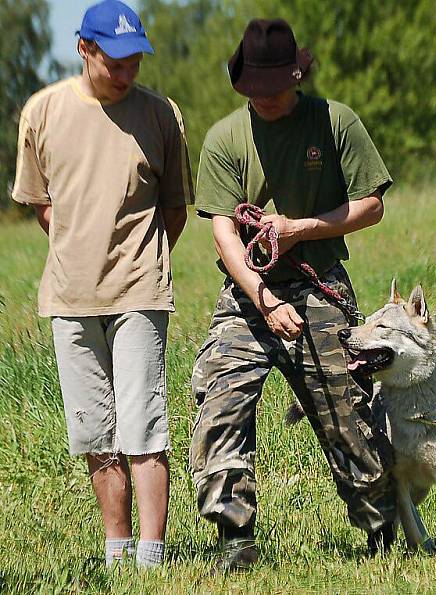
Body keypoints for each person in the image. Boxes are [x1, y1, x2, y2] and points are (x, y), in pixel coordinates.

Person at [189, 18, 396, 572]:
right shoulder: (224, 139)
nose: (267, 100)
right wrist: (263, 299)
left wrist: (300, 229)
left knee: (346, 412)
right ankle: (235, 538)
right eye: (255, 91)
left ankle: (382, 525)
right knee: (219, 402)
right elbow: (223, 233)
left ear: (297, 75)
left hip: (319, 280)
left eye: (276, 88)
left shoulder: (335, 122)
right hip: (248, 295)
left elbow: (371, 205)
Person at [11, 0, 193, 568]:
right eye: (115, 60)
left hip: (140, 289)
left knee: (145, 424)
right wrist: (82, 251)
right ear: (83, 49)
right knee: (96, 432)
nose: (127, 70)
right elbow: (41, 206)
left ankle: (152, 557)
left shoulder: (162, 115)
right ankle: (117, 553)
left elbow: (174, 210)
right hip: (70, 295)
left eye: (135, 58)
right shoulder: (42, 113)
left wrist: (136, 261)